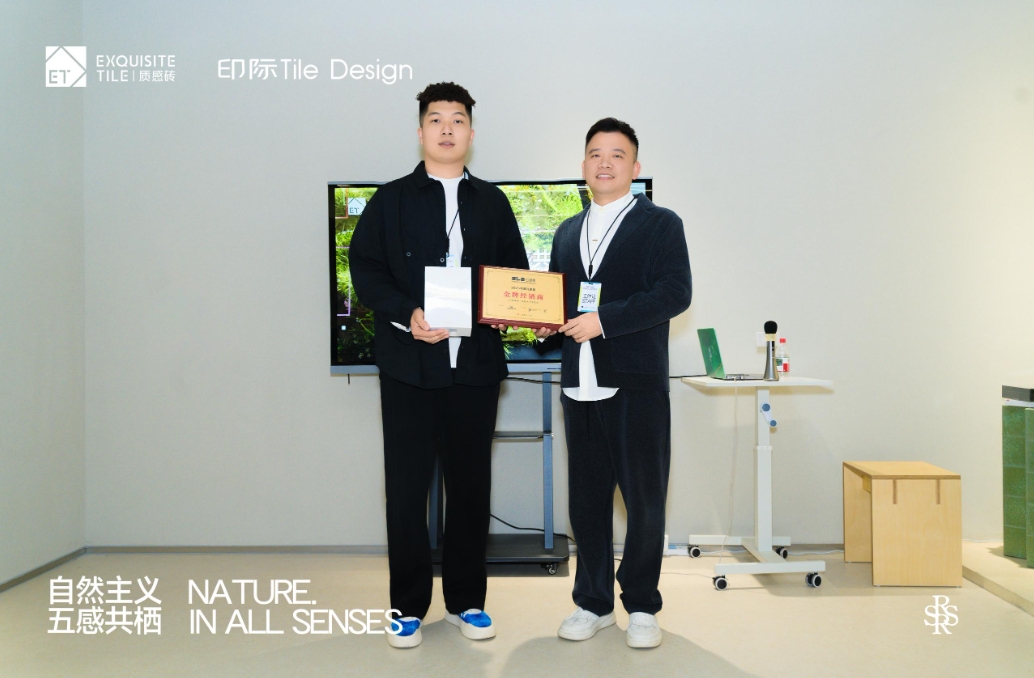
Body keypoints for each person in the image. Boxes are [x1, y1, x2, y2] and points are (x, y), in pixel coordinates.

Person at [349, 82, 530, 648]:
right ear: (421, 131)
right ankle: (406, 607)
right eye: (436, 119)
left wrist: (516, 310)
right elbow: (366, 271)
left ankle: (467, 602)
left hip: (474, 368)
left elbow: (515, 274)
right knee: (406, 492)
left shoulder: (492, 203)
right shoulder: (390, 200)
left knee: (470, 489)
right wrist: (407, 312)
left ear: (471, 133)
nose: (447, 128)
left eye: (457, 120)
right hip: (409, 366)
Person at [546, 118, 692, 648]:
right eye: (595, 154)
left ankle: (643, 605)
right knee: (585, 502)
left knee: (644, 500)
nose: (604, 163)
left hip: (634, 382)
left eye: (616, 154)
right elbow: (560, 300)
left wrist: (602, 320)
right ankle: (593, 602)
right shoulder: (567, 231)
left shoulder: (660, 224)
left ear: (635, 166)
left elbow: (675, 293)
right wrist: (547, 322)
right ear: (583, 165)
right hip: (578, 383)